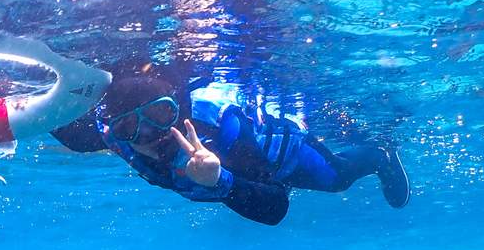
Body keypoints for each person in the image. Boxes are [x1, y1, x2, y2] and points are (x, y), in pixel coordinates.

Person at [51, 74, 410, 225]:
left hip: (284, 158)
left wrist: (220, 180)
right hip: (244, 178)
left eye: (160, 115)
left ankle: (380, 154)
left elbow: (276, 208)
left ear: (177, 109)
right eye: (130, 126)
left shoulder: (221, 128)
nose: (149, 134)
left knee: (336, 179)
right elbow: (70, 133)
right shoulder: (113, 136)